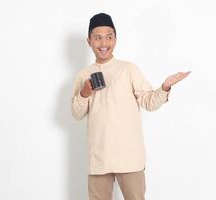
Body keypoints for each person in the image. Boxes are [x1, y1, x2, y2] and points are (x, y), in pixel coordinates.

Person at [71, 13, 190, 200]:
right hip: (99, 157)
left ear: (115, 39)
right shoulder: (83, 75)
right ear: (89, 41)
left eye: (109, 37)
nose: (104, 43)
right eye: (98, 38)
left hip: (129, 156)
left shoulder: (128, 69)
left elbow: (149, 102)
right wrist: (85, 93)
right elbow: (77, 113)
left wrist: (165, 87)